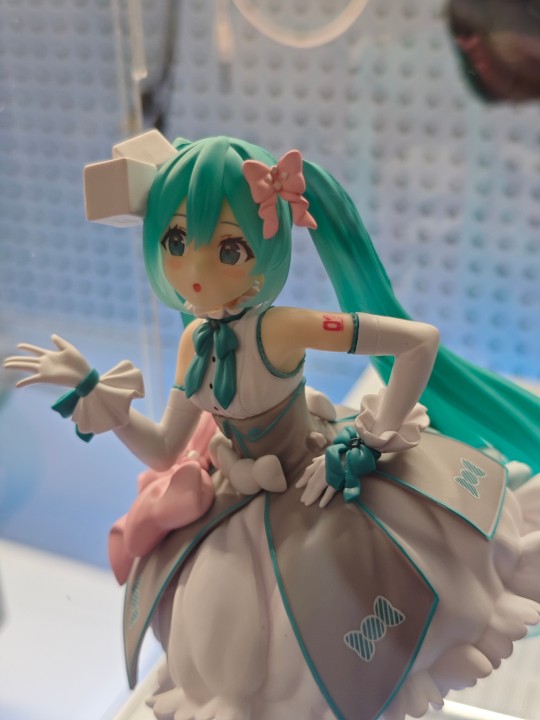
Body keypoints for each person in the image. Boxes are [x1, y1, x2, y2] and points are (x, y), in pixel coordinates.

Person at [5, 134, 540, 720]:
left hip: (316, 487)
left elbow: (419, 342)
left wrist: (368, 440)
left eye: (228, 247)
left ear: (266, 247)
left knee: (338, 631)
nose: (195, 270)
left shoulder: (280, 330)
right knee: (227, 646)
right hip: (238, 502)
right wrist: (94, 394)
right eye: (177, 241)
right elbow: (163, 450)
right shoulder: (193, 341)